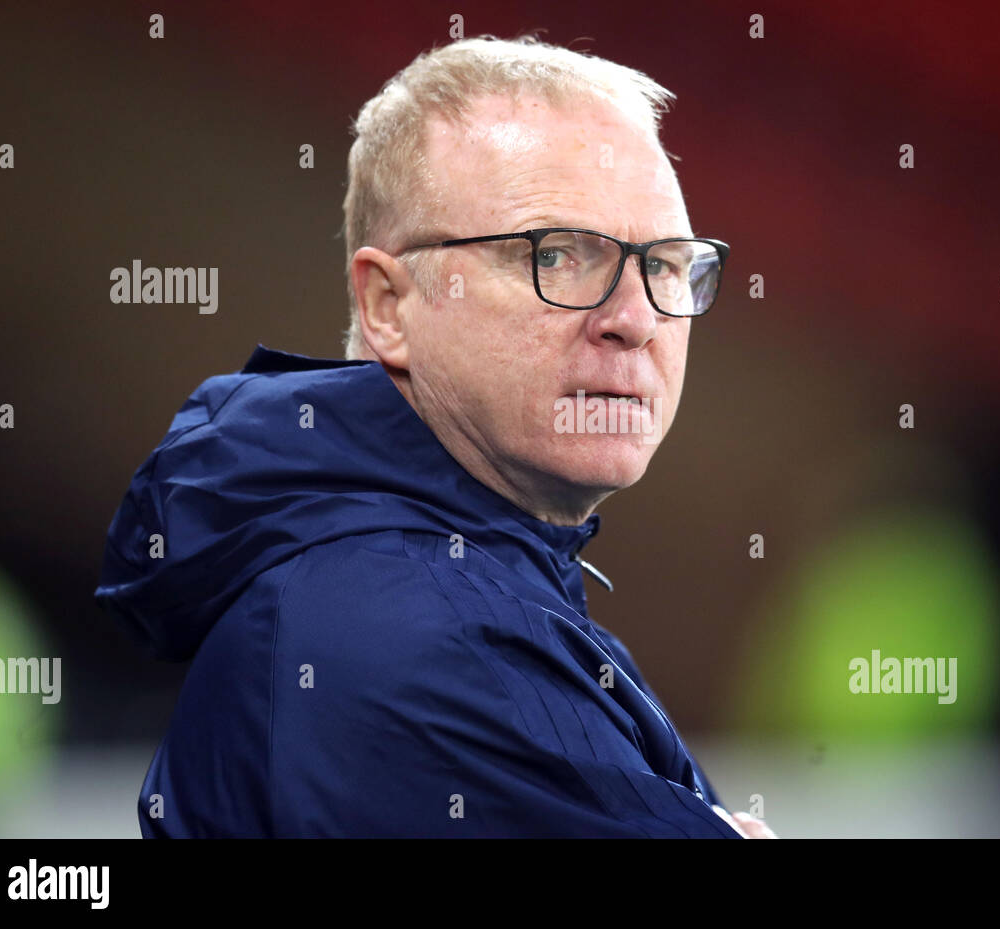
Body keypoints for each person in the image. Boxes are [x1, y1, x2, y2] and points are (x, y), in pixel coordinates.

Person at [95, 35, 774, 838]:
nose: (633, 321)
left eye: (663, 265)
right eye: (556, 254)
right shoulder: (431, 640)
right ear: (389, 304)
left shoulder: (443, 579)